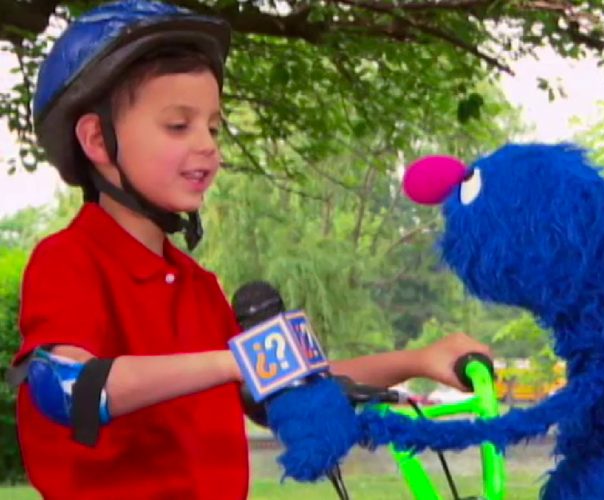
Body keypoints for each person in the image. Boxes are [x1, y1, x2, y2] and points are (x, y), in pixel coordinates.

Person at [10, 1, 492, 498]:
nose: (208, 146)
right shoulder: (69, 259)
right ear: (96, 139)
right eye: (179, 125)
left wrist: (420, 358)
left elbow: (286, 382)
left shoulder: (198, 286)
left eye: (213, 128)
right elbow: (65, 386)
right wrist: (238, 361)